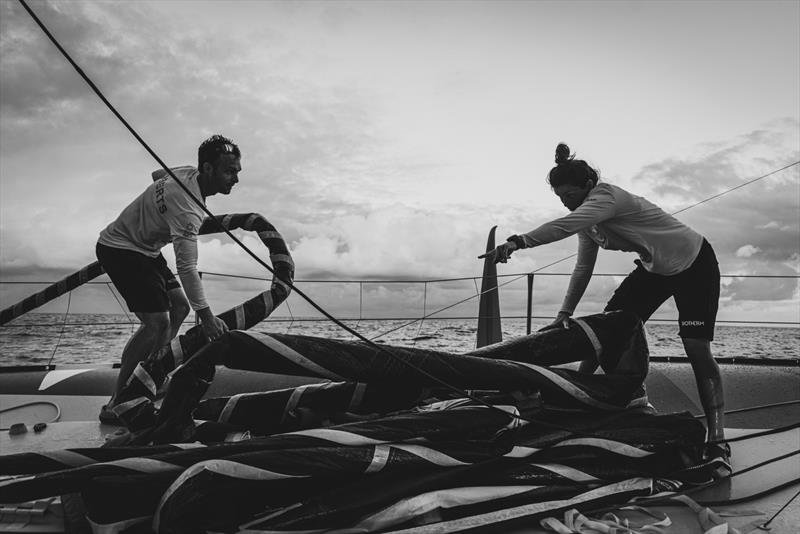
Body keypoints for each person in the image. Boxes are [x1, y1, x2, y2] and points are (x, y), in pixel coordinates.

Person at [480, 143, 727, 459]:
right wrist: (565, 312)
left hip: (694, 263)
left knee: (696, 348)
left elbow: (564, 226)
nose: (566, 203)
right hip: (655, 268)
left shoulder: (607, 197)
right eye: (560, 198)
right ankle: (582, 401)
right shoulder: (587, 221)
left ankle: (717, 436)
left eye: (569, 195)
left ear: (587, 186)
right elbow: (583, 266)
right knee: (606, 330)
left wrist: (518, 242)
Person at [95, 134, 240, 423]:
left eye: (237, 171)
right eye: (228, 171)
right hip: (121, 249)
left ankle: (150, 376)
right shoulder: (188, 211)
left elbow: (157, 175)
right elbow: (187, 267)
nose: (235, 178)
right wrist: (208, 317)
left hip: (145, 249)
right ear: (208, 169)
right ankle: (117, 401)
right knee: (156, 324)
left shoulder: (186, 172)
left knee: (179, 308)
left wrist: (159, 212)